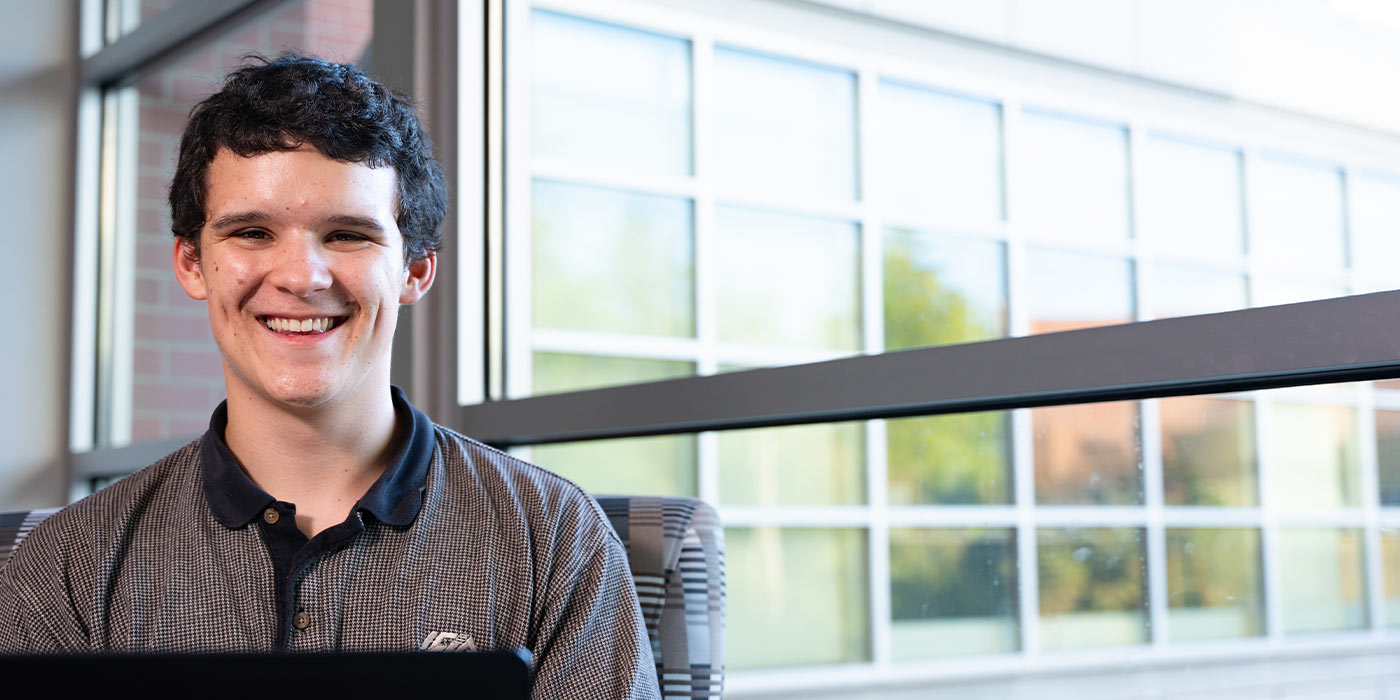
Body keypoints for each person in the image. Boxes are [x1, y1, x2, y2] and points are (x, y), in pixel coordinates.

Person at [0, 54, 659, 699]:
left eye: (347, 234)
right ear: (192, 264)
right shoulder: (68, 564)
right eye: (253, 232)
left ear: (414, 270)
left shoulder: (554, 537)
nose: (301, 277)